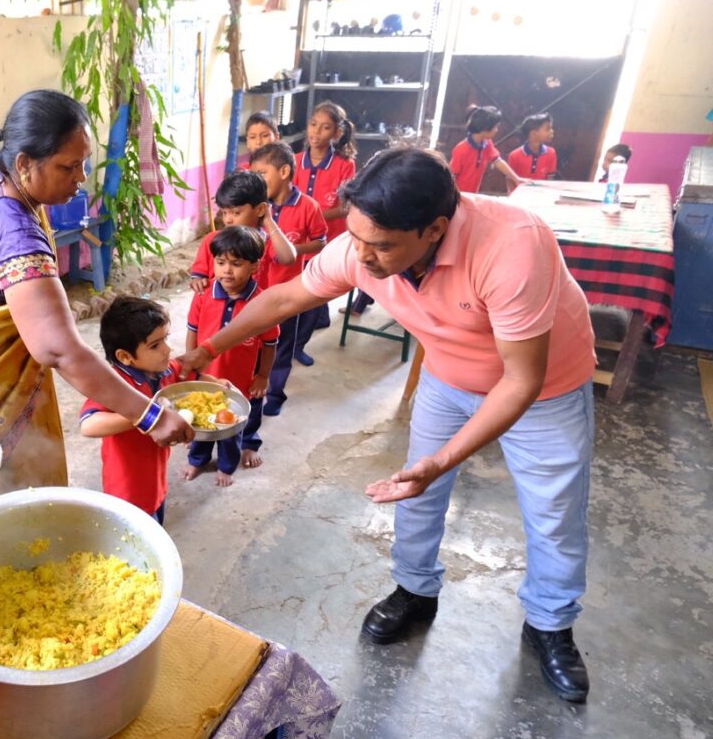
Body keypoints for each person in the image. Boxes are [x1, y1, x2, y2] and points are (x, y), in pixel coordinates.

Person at [179, 147, 597, 704]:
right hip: (449, 379)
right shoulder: (363, 245)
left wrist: (446, 459)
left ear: (435, 230)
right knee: (415, 491)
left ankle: (550, 624)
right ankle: (415, 591)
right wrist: (206, 349)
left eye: (381, 246)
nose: (364, 258)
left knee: (553, 510)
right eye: (356, 238)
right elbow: (285, 297)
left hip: (545, 389)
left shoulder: (513, 245)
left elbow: (520, 381)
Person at [0, 90, 191, 495]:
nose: (81, 176)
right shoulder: (13, 230)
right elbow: (59, 350)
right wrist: (150, 415)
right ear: (24, 164)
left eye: (84, 162)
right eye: (69, 166)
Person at [79, 297, 228, 525]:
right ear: (125, 356)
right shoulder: (115, 384)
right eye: (155, 346)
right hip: (127, 488)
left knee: (157, 513)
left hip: (156, 478)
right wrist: (151, 414)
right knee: (137, 536)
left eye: (165, 339)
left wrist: (216, 383)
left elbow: (191, 378)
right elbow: (89, 425)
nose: (168, 350)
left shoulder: (164, 371)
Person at [184, 226, 280, 485]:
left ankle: (226, 466)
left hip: (239, 382)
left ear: (254, 266)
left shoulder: (262, 302)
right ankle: (197, 461)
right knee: (202, 426)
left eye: (236, 263)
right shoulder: (204, 295)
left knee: (230, 428)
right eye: (220, 262)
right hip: (206, 378)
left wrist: (262, 376)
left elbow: (270, 343)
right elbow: (192, 331)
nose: (227, 270)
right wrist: (190, 366)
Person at [248, 142, 327, 414]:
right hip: (257, 290)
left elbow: (320, 242)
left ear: (283, 171)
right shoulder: (257, 207)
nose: (257, 181)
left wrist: (291, 251)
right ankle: (252, 386)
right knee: (255, 343)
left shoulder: (309, 206)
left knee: (281, 346)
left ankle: (276, 395)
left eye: (262, 174)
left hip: (288, 293)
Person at [295, 101, 364, 336]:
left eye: (325, 127)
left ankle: (312, 322)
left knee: (320, 280)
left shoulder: (345, 164)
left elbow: (345, 207)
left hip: (328, 237)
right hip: (298, 234)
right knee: (300, 280)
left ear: (337, 133)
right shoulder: (294, 161)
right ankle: (315, 317)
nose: (316, 132)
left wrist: (311, 214)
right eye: (313, 124)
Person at [189, 170, 297, 294]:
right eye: (224, 212)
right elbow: (199, 274)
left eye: (236, 213)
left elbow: (289, 258)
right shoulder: (212, 239)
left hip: (254, 308)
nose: (228, 219)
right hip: (216, 308)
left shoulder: (264, 242)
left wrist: (268, 221)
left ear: (260, 209)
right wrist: (198, 280)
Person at [450, 105, 523, 194]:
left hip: (471, 195)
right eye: (495, 127)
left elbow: (497, 161)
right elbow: (451, 176)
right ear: (485, 129)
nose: (496, 130)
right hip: (456, 197)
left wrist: (516, 178)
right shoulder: (461, 149)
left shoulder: (487, 143)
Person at [507, 113, 558, 181]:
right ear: (533, 134)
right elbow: (510, 180)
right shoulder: (514, 156)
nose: (552, 131)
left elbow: (550, 179)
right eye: (547, 129)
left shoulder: (551, 153)